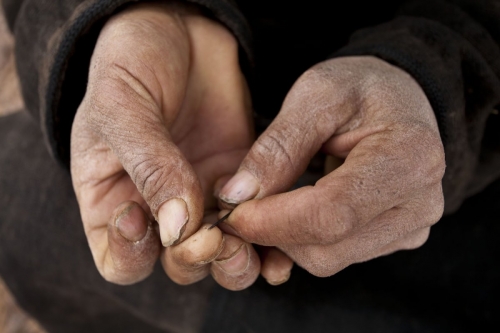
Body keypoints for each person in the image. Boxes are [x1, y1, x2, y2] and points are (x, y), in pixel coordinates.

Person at [0, 0, 499, 332]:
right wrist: (118, 16)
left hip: (457, 199)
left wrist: (435, 79)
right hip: (196, 115)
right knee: (18, 202)